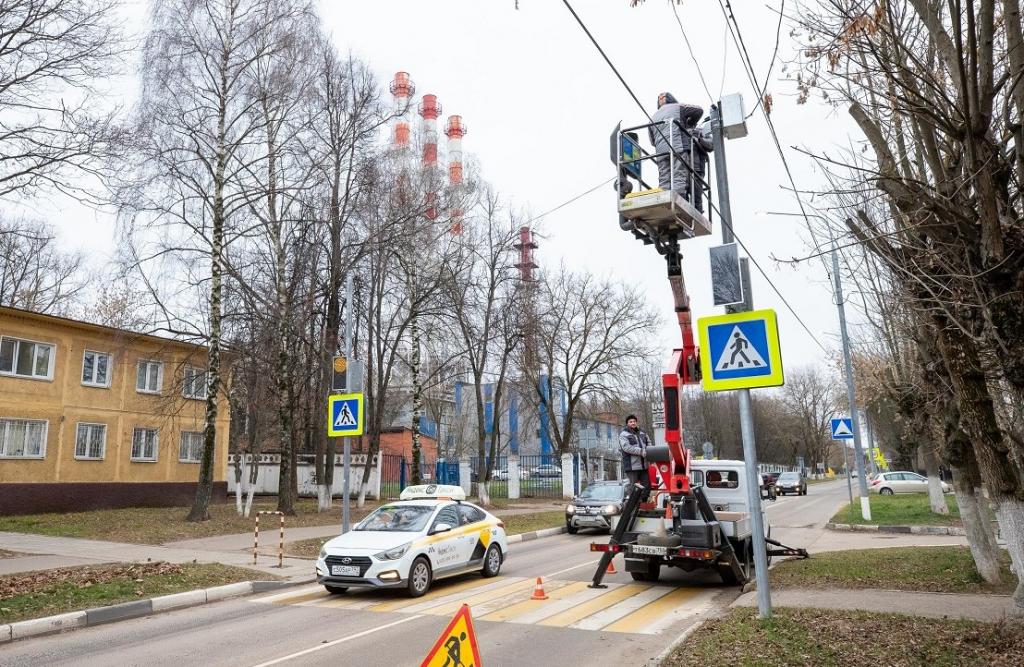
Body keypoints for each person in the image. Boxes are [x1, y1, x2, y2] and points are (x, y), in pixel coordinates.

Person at [648, 92, 703, 202]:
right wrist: (689, 125)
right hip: (678, 147)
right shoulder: (678, 107)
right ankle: (678, 202)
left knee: (664, 179)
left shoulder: (652, 118)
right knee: (678, 175)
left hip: (661, 152)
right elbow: (699, 110)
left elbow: (652, 141)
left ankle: (664, 202)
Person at [619, 414, 652, 501]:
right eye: (630, 422)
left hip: (644, 465)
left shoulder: (643, 433)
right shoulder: (623, 435)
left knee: (647, 485)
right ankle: (632, 504)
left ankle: (643, 502)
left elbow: (649, 443)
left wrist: (650, 451)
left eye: (634, 421)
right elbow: (626, 448)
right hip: (632, 466)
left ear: (636, 423)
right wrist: (641, 451)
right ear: (627, 424)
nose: (633, 423)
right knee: (633, 486)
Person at [690, 116, 714, 214]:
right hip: (683, 167)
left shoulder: (701, 130)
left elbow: (711, 145)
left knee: (696, 195)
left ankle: (697, 215)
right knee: (683, 193)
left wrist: (699, 139)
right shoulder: (681, 130)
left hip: (697, 168)